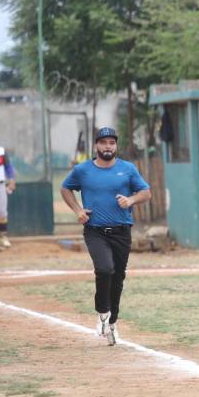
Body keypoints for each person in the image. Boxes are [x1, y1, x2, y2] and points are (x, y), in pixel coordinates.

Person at [60, 127, 151, 345]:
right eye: (103, 142)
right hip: (95, 231)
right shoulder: (83, 170)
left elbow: (146, 192)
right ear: (96, 146)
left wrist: (130, 201)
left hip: (121, 231)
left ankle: (112, 323)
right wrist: (78, 210)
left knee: (118, 277)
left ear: (116, 146)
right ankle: (102, 312)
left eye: (111, 142)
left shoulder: (127, 169)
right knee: (104, 269)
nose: (107, 146)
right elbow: (65, 188)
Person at [0, 143, 16, 251]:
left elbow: (8, 167)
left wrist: (12, 180)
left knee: (2, 213)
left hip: (0, 185)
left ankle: (4, 237)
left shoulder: (0, 151)